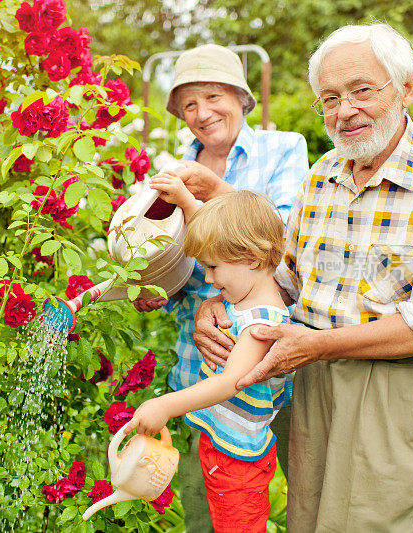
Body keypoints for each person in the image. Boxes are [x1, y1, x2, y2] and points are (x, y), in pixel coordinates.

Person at [194, 24, 413, 532]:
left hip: (398, 389)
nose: (345, 111)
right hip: (313, 382)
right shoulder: (323, 174)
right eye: (330, 98)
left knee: (381, 522)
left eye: (362, 90)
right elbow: (284, 278)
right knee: (312, 519)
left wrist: (320, 345)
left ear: (406, 88)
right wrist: (217, 305)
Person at [134, 43, 309, 531]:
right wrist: (157, 291)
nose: (202, 113)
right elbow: (169, 260)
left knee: (309, 496)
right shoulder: (171, 171)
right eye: (189, 104)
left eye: (213, 96)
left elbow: (288, 243)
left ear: (240, 96)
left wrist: (209, 194)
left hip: (274, 360)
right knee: (206, 508)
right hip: (201, 366)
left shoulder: (284, 148)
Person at [125, 189, 289, 533]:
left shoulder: (262, 322)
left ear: (253, 260)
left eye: (213, 268)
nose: (210, 280)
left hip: (239, 462)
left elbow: (231, 381)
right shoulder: (240, 300)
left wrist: (166, 405)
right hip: (222, 444)